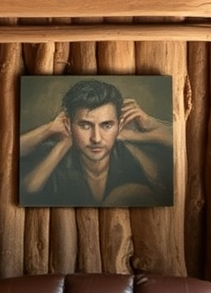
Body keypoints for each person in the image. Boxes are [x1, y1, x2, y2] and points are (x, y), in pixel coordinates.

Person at [19, 78, 173, 208]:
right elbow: (25, 187)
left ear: (119, 125)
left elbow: (180, 141)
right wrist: (50, 130)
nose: (96, 138)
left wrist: (149, 126)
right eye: (85, 125)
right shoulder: (55, 152)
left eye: (106, 125)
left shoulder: (133, 153)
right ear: (68, 125)